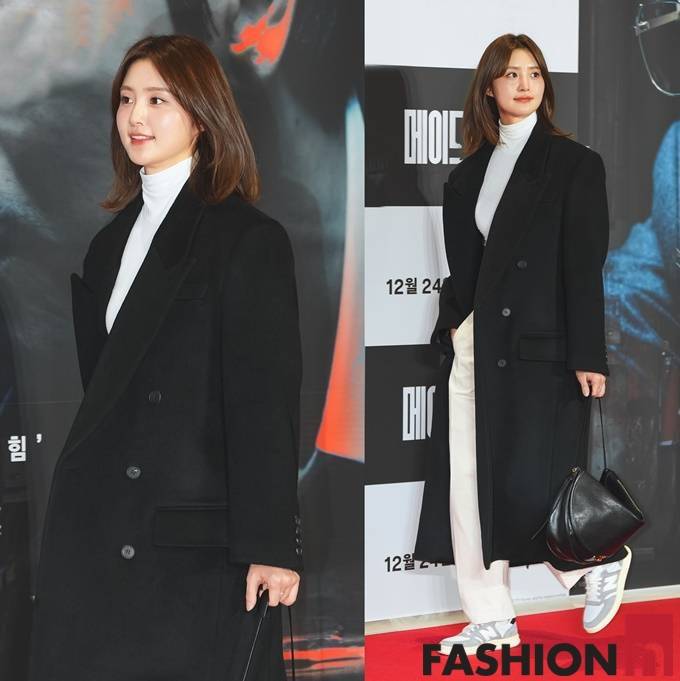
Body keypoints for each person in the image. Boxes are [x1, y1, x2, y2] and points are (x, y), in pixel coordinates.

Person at [28, 34, 302, 681]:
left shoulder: (246, 239)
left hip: (192, 543)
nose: (135, 117)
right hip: (100, 532)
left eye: (157, 99)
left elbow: (263, 404)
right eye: (126, 99)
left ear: (201, 115)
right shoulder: (108, 245)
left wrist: (271, 546)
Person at [413, 33, 632, 654]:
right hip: (475, 347)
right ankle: (490, 617)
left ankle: (593, 562)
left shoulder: (573, 164)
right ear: (489, 87)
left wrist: (588, 353)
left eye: (534, 73)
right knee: (466, 483)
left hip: (539, 348)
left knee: (528, 480)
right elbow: (466, 270)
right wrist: (454, 327)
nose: (524, 84)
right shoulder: (466, 177)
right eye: (511, 74)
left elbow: (584, 267)